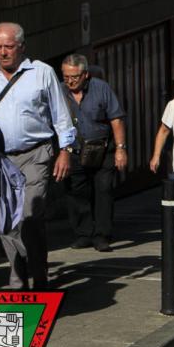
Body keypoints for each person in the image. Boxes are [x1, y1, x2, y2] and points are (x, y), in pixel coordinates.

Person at [0, 22, 76, 290]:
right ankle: (19, 272)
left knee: (29, 216)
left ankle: (37, 276)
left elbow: (61, 115)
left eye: (9, 46)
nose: (3, 52)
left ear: (22, 46)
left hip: (35, 154)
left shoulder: (42, 72)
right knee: (5, 222)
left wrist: (66, 151)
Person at [59, 54, 127, 252]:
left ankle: (102, 235)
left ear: (85, 74)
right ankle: (84, 234)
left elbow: (116, 119)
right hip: (73, 150)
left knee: (103, 190)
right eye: (66, 76)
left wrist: (121, 149)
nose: (70, 81)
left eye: (74, 77)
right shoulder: (59, 91)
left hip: (102, 150)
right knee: (76, 192)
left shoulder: (101, 88)